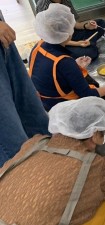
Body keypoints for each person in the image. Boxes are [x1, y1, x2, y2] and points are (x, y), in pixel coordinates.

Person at [0, 97, 105, 225]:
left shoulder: (34, 143)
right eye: (102, 135)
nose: (102, 140)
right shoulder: (96, 166)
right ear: (94, 134)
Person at [0, 19, 49, 167]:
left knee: (35, 117)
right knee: (13, 143)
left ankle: (50, 167)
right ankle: (29, 182)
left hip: (3, 39)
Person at [36, 0, 105, 60]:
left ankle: (87, 45)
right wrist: (77, 43)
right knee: (91, 53)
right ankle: (87, 45)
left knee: (100, 23)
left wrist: (86, 25)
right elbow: (50, 37)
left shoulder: (66, 1)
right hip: (59, 42)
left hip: (71, 34)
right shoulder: (42, 4)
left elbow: (74, 23)